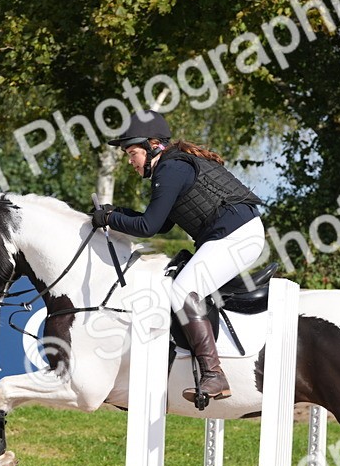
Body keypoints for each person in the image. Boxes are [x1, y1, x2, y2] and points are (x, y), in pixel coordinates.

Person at [98, 111, 267, 403]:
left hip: (237, 236)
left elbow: (149, 227)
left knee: (183, 290)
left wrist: (111, 219)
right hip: (233, 234)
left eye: (132, 152)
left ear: (153, 146)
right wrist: (119, 213)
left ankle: (214, 374)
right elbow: (161, 224)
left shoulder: (171, 169)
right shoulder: (172, 166)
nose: (130, 161)